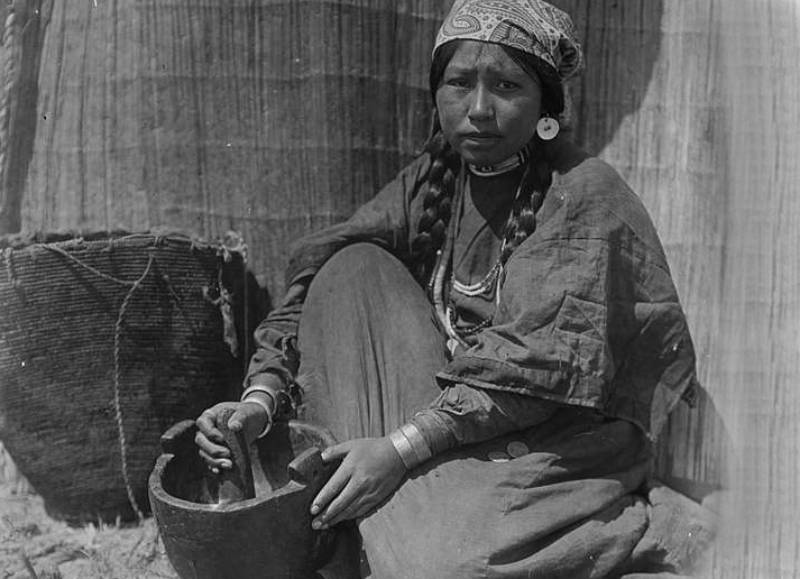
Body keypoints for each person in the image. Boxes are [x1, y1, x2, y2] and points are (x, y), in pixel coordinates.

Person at [195, 1, 715, 576]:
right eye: (460, 83)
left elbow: (536, 371)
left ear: (547, 105)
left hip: (555, 435)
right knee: (349, 267)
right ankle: (396, 514)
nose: (480, 109)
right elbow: (314, 280)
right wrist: (260, 400)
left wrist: (397, 451)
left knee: (441, 562)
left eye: (507, 86)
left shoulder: (585, 195)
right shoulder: (433, 179)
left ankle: (629, 525)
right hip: (450, 419)